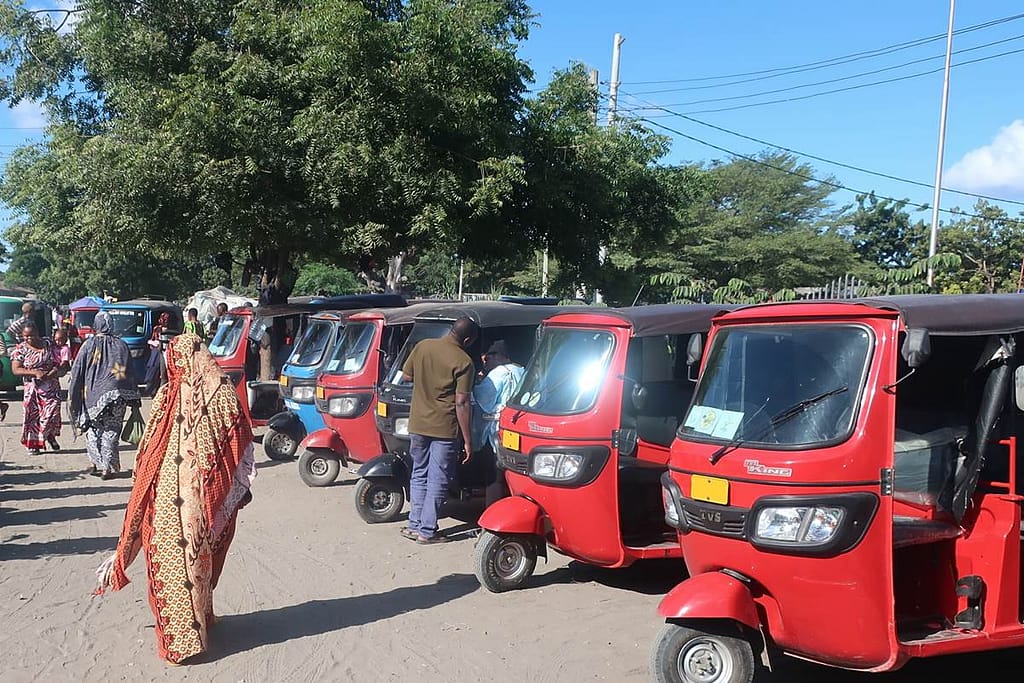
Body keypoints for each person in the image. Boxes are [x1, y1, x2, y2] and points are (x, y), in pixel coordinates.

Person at [94, 332, 256, 665]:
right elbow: (240, 437)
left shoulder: (183, 393)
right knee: (195, 560)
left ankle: (183, 643)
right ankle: (200, 624)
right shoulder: (217, 391)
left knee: (175, 564)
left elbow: (147, 448)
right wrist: (231, 485)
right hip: (194, 498)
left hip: (175, 499)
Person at [398, 316, 478, 544]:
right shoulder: (464, 362)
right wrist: (468, 439)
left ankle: (415, 525)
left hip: (417, 423)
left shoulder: (424, 346)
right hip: (444, 427)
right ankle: (427, 531)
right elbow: (461, 402)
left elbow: (406, 375)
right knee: (438, 478)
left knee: (419, 473)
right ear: (468, 339)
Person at [68, 311, 141, 478]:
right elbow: (129, 371)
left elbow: (77, 370)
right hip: (118, 396)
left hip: (93, 396)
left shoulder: (88, 344)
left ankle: (96, 463)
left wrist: (73, 393)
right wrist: (134, 396)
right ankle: (106, 467)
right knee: (111, 430)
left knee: (93, 430)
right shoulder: (121, 345)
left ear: (96, 325)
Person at [472, 340, 525, 506]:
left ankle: (491, 515)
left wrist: (475, 384)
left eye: (488, 358)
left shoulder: (498, 373)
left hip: (496, 428)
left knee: (494, 475)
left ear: (500, 356)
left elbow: (483, 398)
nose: (486, 362)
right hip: (517, 426)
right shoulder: (522, 370)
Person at [10, 321, 68, 454]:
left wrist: (58, 368)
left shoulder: (48, 343)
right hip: (33, 388)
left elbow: (61, 353)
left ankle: (49, 435)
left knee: (51, 413)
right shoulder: (20, 349)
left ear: (37, 333)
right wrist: (35, 372)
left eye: (32, 335)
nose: (29, 338)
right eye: (26, 336)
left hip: (51, 386)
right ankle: (34, 444)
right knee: (33, 417)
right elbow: (16, 369)